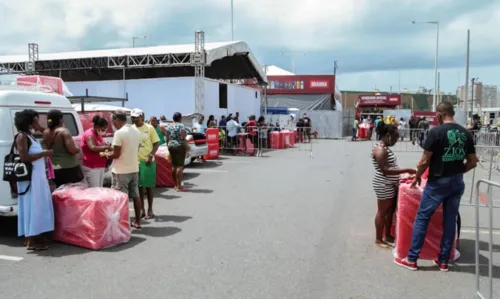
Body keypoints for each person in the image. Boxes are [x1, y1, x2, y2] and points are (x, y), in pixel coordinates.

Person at [395, 101, 478, 271]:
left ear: (439, 114)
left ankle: (411, 259)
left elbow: (425, 160)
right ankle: (444, 260)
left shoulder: (436, 132)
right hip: (457, 181)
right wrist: (458, 170)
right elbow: (472, 162)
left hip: (437, 182)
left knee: (422, 218)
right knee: (450, 220)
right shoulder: (465, 133)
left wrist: (417, 177)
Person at [14, 109, 54, 250]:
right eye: (35, 120)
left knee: (38, 206)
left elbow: (45, 132)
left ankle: (33, 237)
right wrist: (44, 154)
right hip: (30, 178)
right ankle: (32, 240)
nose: (38, 123)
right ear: (29, 122)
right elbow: (24, 157)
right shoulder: (22, 136)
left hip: (37, 177)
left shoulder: (30, 135)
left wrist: (39, 127)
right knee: (32, 206)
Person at [372, 122, 416, 249]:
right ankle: (378, 239)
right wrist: (406, 170)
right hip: (383, 184)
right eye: (395, 137)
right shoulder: (380, 149)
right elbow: (385, 170)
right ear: (388, 135)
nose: (396, 140)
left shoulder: (385, 148)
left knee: (390, 211)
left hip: (389, 183)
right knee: (382, 211)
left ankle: (387, 235)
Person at [106, 111, 142, 228]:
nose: (113, 124)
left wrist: (106, 155)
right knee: (136, 195)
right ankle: (137, 221)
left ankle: (123, 224)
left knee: (121, 199)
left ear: (116, 120)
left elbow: (116, 154)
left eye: (113, 122)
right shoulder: (136, 131)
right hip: (134, 168)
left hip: (121, 171)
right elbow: (134, 148)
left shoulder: (119, 133)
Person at [131, 109, 160, 219]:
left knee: (148, 187)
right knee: (139, 188)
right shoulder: (131, 128)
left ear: (142, 117)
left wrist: (151, 155)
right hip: (135, 162)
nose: (135, 120)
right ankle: (142, 209)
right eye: (133, 118)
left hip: (147, 162)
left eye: (137, 117)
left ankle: (150, 209)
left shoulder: (149, 128)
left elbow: (156, 144)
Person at [43, 109, 82, 187]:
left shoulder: (45, 132)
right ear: (60, 119)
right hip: (69, 168)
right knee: (73, 191)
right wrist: (78, 148)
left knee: (60, 191)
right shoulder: (64, 131)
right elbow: (72, 150)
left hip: (54, 168)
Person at [80, 115, 111, 187]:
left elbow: (100, 146)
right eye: (103, 129)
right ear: (97, 127)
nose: (104, 131)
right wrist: (106, 147)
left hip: (99, 166)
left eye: (105, 130)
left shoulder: (98, 134)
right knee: (94, 191)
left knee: (99, 189)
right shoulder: (89, 135)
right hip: (92, 167)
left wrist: (105, 145)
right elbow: (93, 148)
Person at [166, 112, 187, 192]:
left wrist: (168, 146)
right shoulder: (181, 125)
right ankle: (179, 186)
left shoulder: (169, 126)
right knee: (180, 166)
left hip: (171, 145)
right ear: (180, 118)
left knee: (174, 166)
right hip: (179, 145)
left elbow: (167, 138)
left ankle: (175, 185)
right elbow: (183, 136)